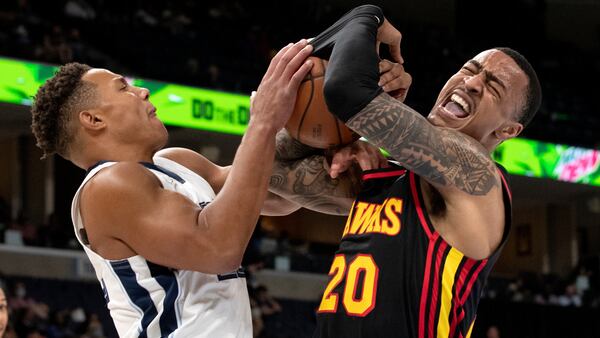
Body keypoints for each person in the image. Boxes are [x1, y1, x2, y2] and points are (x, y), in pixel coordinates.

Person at [30, 35, 408, 336]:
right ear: (93, 119)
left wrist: (350, 116)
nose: (141, 91)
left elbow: (270, 191)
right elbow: (220, 247)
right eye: (122, 88)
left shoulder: (176, 164)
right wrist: (262, 122)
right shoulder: (106, 186)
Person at [269, 5, 541, 338]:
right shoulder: (385, 176)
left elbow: (347, 90)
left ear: (508, 131)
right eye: (469, 69)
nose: (470, 83)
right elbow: (267, 170)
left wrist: (366, 17)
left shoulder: (478, 178)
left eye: (493, 87)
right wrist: (331, 137)